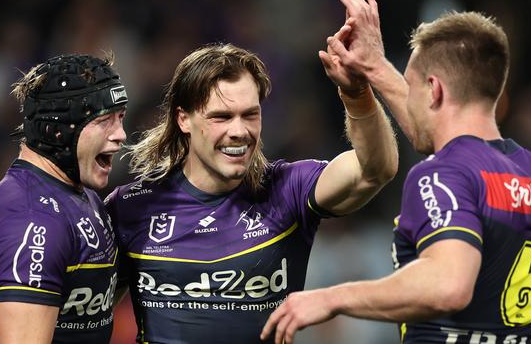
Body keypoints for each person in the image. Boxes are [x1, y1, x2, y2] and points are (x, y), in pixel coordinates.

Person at [262, 0, 531, 344]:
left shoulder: (440, 174)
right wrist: (374, 66)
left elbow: (448, 286)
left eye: (411, 87)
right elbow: (446, 138)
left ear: (434, 90)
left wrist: (331, 297)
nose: (408, 98)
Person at [104, 42, 398, 343]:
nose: (239, 131)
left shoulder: (287, 189)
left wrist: (357, 95)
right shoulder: (130, 208)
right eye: (221, 117)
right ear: (184, 119)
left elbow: (375, 169)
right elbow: (90, 314)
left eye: (250, 115)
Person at [0, 54, 129, 343]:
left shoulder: (76, 195)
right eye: (105, 120)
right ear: (57, 129)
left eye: (120, 118)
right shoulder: (32, 219)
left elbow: (85, 310)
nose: (121, 135)